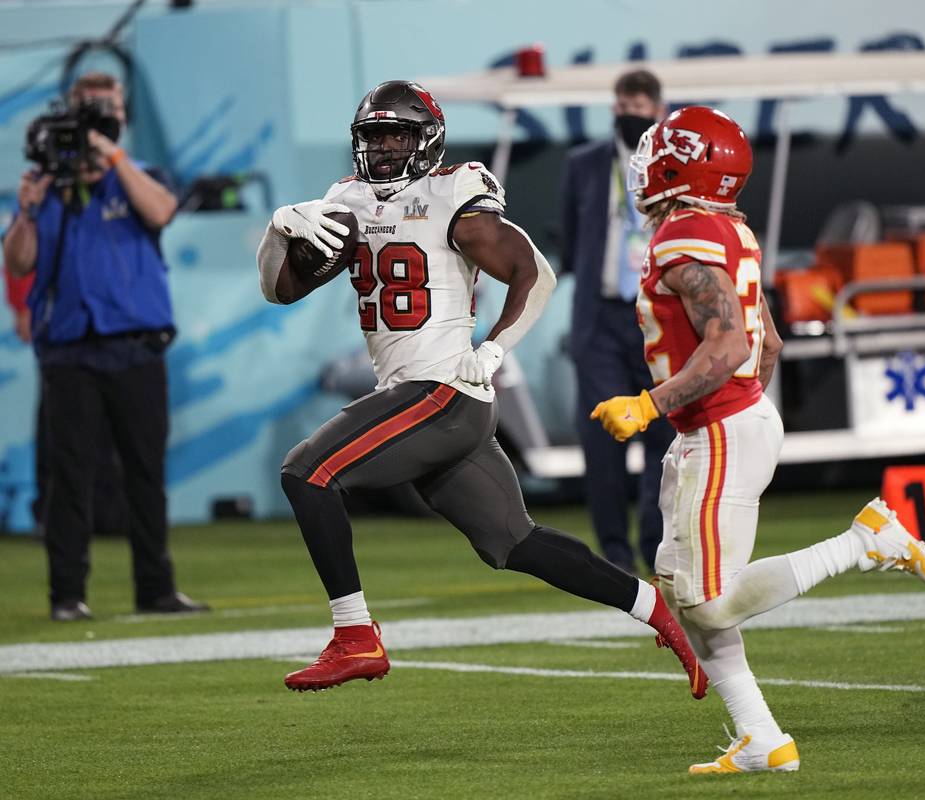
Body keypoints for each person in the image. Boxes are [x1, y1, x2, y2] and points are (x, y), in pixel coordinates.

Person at [255, 80, 704, 697]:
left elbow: (535, 273)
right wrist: (278, 231)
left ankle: (354, 635)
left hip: (443, 388)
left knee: (307, 471)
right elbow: (281, 289)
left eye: (397, 136)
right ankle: (653, 609)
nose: (384, 149)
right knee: (513, 541)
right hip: (417, 394)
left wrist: (493, 348)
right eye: (373, 137)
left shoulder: (452, 193)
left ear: (426, 140)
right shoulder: (345, 201)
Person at [590, 106, 925, 775]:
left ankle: (865, 541)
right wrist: (731, 411)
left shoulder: (685, 235)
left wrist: (652, 404)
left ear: (682, 163)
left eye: (660, 151)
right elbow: (769, 342)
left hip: (720, 429)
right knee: (685, 587)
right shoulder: (727, 227)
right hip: (729, 424)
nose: (646, 164)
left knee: (705, 598)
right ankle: (762, 738)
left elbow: (730, 343)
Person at [2, 72, 207, 622]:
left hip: (137, 348)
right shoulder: (47, 185)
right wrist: (25, 210)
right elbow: (18, 262)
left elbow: (162, 211)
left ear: (121, 115)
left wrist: (108, 154)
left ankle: (156, 589)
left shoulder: (137, 174)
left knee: (145, 472)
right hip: (70, 350)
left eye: (107, 107)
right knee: (71, 477)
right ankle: (67, 596)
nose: (98, 117)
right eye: (89, 109)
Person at [560, 69, 673, 573]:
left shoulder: (672, 167)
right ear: (614, 108)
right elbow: (569, 237)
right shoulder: (584, 165)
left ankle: (655, 543)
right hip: (601, 318)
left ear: (658, 110)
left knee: (663, 435)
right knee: (603, 436)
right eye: (623, 104)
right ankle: (614, 553)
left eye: (640, 104)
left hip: (657, 316)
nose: (630, 112)